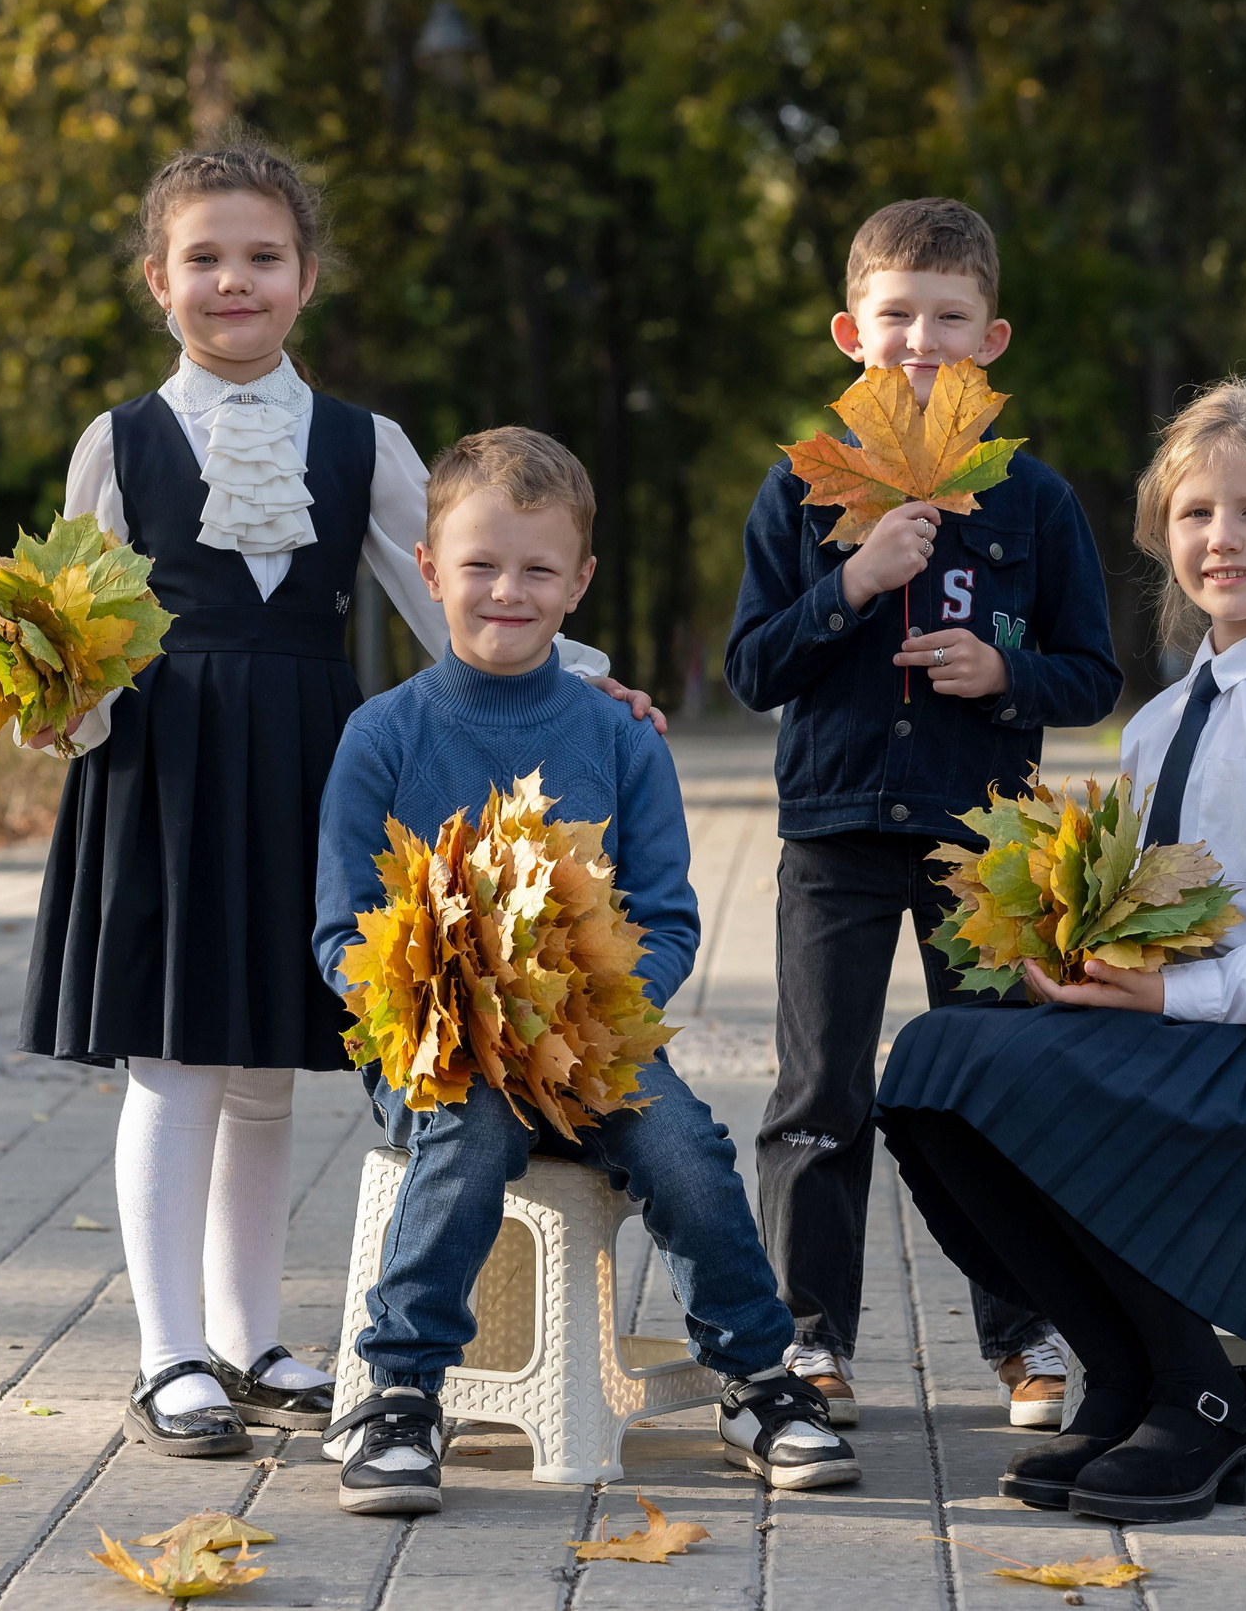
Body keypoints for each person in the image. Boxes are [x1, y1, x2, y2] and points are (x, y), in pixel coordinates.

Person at [18, 138, 660, 1461]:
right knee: (175, 1057)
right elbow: (71, 629)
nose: (234, 281)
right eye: (205, 257)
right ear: (158, 279)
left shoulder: (364, 443)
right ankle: (167, 1353)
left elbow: (457, 606)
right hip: (163, 772)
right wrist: (48, 700)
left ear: (305, 276)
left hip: (314, 767)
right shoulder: (119, 442)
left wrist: (590, 691)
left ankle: (253, 1338)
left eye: (263, 256)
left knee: (266, 1072)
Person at [873, 378, 1246, 1524]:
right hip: (1199, 1032)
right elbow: (1145, 913)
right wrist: (1079, 961)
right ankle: (1134, 1366)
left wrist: (1173, 995)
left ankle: (1204, 1399)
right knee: (937, 1066)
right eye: (1195, 514)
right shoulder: (1157, 722)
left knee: (991, 1069)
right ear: (1162, 534)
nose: (1222, 539)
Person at [312, 427, 860, 1516]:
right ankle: (399, 1394)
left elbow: (664, 917)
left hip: (593, 1047)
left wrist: (605, 1011)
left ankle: (757, 1378)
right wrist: (441, 1018)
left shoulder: (621, 740)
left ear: (579, 584)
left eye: (536, 569)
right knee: (469, 1132)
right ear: (427, 571)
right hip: (440, 1051)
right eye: (479, 565)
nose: (506, 590)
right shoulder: (382, 737)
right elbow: (340, 936)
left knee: (684, 1146)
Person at [723, 198, 1123, 1429]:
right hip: (835, 830)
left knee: (991, 1086)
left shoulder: (1034, 499)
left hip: (982, 839)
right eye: (895, 316)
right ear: (852, 329)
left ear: (991, 338)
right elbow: (752, 669)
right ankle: (810, 1337)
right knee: (819, 1092)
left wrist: (1008, 675)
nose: (919, 341)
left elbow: (1092, 672)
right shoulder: (798, 490)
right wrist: (852, 582)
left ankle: (1026, 1330)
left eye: (948, 318)